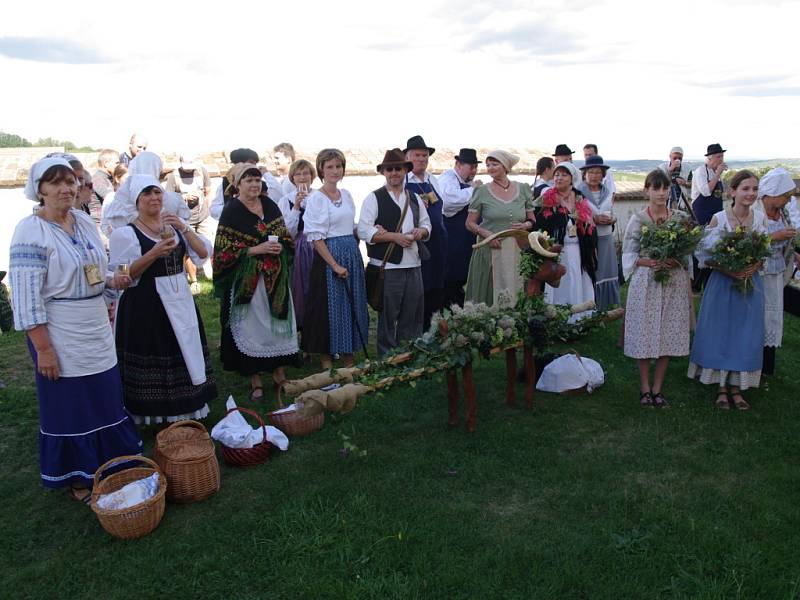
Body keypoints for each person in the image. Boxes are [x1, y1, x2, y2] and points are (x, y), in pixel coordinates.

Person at [9, 157, 141, 501]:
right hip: (60, 331)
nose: (65, 189)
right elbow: (25, 297)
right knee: (72, 404)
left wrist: (115, 280)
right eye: (55, 183)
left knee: (104, 396)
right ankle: (79, 477)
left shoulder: (82, 221)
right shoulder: (30, 230)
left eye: (70, 181)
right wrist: (44, 349)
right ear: (39, 190)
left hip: (95, 325)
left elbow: (96, 270)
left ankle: (111, 462)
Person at [110, 175, 217, 424]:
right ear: (136, 201)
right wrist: (154, 253)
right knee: (155, 351)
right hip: (145, 301)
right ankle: (154, 412)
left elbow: (202, 253)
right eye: (147, 194)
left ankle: (186, 406)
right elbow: (123, 274)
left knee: (183, 348)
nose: (154, 198)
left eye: (157, 193)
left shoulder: (172, 226)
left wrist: (183, 226)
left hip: (179, 296)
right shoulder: (126, 233)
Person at [214, 164, 299, 400]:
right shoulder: (232, 211)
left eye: (257, 180)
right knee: (253, 327)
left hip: (275, 277)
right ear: (237, 184)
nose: (254, 184)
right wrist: (255, 249)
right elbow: (223, 251)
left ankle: (279, 373)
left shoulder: (270, 205)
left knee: (277, 326)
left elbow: (284, 235)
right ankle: (256, 380)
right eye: (248, 180)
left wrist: (280, 246)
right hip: (249, 281)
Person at [688, 170, 766, 410]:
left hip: (750, 284)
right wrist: (729, 270)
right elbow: (704, 256)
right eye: (745, 189)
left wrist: (752, 267)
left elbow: (764, 252)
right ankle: (721, 386)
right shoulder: (718, 219)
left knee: (745, 333)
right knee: (720, 331)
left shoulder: (760, 219)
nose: (750, 194)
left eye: (754, 189)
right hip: (723, 283)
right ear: (733, 191)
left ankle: (737, 387)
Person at [622, 170, 693, 408]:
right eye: (656, 188)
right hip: (647, 281)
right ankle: (644, 387)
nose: (661, 193)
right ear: (647, 190)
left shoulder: (680, 218)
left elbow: (687, 253)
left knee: (668, 332)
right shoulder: (639, 219)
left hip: (673, 282)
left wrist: (677, 260)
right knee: (644, 332)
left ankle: (658, 388)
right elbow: (629, 253)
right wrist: (650, 262)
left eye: (665, 188)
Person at [358, 148, 431, 355]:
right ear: (384, 172)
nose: (394, 173)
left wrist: (420, 232)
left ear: (405, 170)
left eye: (398, 168)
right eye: (389, 169)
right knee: (388, 317)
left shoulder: (415, 198)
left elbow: (427, 225)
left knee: (412, 315)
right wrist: (394, 237)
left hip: (413, 264)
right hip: (387, 267)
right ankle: (388, 360)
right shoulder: (373, 198)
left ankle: (408, 355)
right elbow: (364, 230)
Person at [301, 149, 369, 369]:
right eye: (329, 166)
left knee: (352, 305)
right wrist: (334, 264)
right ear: (321, 169)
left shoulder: (346, 194)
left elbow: (349, 226)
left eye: (338, 166)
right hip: (330, 257)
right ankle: (327, 360)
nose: (334, 171)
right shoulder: (316, 199)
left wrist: (367, 230)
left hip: (351, 252)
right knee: (330, 308)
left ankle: (349, 357)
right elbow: (316, 237)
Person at [464, 150, 535, 306]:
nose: (490, 168)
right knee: (489, 294)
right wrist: (488, 235)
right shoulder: (481, 191)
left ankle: (516, 328)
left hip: (517, 249)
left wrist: (525, 225)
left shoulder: (523, 189)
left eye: (494, 164)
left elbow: (532, 220)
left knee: (516, 289)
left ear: (505, 166)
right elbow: (470, 223)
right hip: (490, 249)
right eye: (488, 165)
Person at [534, 161, 597, 321]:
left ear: (572, 178)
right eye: (556, 174)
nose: (559, 178)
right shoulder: (547, 198)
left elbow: (590, 223)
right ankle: (557, 319)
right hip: (556, 250)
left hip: (577, 250)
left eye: (563, 175)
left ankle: (578, 319)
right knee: (559, 282)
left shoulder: (579, 198)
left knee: (577, 278)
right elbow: (538, 223)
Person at [404, 135, 446, 328]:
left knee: (437, 284)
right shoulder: (403, 181)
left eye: (425, 155)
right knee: (420, 285)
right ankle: (416, 328)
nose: (422, 159)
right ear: (407, 157)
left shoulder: (433, 179)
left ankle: (433, 325)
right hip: (418, 241)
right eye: (417, 155)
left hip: (438, 240)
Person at [758, 168, 797, 375]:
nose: (788, 201)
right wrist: (776, 236)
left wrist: (793, 252)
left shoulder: (782, 213)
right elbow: (749, 241)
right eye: (785, 196)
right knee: (759, 314)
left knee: (772, 316)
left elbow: (785, 241)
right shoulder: (756, 212)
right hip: (758, 271)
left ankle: (767, 364)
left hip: (776, 270)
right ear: (773, 193)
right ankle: (753, 360)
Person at [438, 148, 482, 308]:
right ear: (458, 164)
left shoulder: (466, 182)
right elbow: (448, 202)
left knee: (462, 277)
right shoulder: (448, 179)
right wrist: (474, 190)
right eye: (471, 167)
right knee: (450, 279)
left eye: (475, 167)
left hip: (464, 242)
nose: (474, 170)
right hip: (452, 241)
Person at [277, 159, 317, 331]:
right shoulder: (285, 201)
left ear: (312, 176)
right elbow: (287, 233)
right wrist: (297, 206)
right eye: (298, 174)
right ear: (292, 178)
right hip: (298, 251)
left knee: (319, 292)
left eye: (306, 173)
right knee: (300, 292)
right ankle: (302, 334)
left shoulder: (320, 196)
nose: (302, 177)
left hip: (320, 247)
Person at [164, 153, 215, 288]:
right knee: (186, 249)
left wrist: (207, 205)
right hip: (185, 218)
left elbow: (208, 190)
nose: (189, 169)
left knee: (206, 243)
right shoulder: (173, 176)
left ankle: (209, 273)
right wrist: (184, 197)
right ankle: (194, 280)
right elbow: (168, 196)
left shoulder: (201, 172)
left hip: (202, 215)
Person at [578, 155, 620, 309]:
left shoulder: (608, 192)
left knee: (606, 269)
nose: (595, 176)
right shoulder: (578, 192)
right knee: (593, 269)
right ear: (585, 174)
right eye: (591, 172)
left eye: (598, 172)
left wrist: (612, 220)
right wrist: (593, 219)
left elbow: (610, 212)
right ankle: (590, 302)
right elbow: (575, 215)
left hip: (606, 236)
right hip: (589, 238)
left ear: (603, 175)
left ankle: (604, 303)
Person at [690, 143, 728, 292]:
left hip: (716, 213)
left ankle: (709, 282)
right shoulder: (701, 171)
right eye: (718, 157)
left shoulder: (715, 173)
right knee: (699, 247)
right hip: (702, 212)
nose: (721, 159)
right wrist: (718, 174)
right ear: (710, 158)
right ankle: (695, 284)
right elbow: (706, 192)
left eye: (722, 156)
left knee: (713, 245)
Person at [209, 148, 281, 220]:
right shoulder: (225, 185)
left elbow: (279, 197)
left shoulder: (261, 184)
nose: (254, 166)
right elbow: (214, 210)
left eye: (255, 163)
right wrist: (235, 209)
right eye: (251, 162)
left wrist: (267, 174)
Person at [91, 148, 119, 220]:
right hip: (99, 224)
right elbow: (111, 199)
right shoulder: (98, 178)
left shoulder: (107, 177)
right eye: (117, 163)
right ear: (106, 163)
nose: (118, 166)